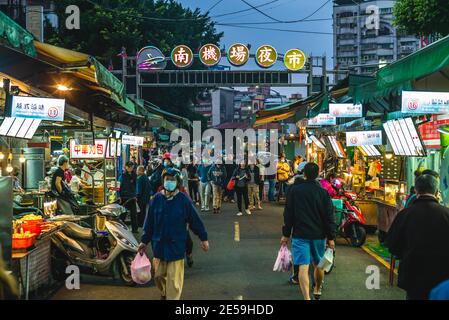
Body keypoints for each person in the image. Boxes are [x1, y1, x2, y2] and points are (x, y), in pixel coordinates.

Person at [138, 168, 209, 300]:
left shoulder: (183, 200)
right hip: (159, 246)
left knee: (174, 281)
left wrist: (203, 238)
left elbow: (195, 220)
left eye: (172, 180)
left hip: (176, 247)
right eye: (167, 179)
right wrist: (144, 241)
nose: (169, 182)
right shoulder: (156, 199)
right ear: (162, 181)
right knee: (158, 276)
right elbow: (149, 223)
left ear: (177, 182)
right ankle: (164, 293)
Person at [385, 174, 449, 300]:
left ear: (416, 190)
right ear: (436, 191)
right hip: (441, 276)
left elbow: (392, 244)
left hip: (412, 275)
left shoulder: (405, 214)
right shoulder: (446, 214)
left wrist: (405, 254)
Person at [281, 162, 336, 300]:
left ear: (304, 174)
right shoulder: (323, 193)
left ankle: (307, 298)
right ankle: (317, 289)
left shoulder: (294, 191)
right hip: (318, 235)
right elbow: (329, 216)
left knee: (303, 267)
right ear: (318, 175)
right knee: (319, 265)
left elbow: (288, 214)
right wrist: (331, 237)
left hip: (300, 235)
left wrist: (286, 234)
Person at [118, 161, 138, 233]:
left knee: (134, 214)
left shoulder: (134, 175)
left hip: (132, 197)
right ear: (126, 167)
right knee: (123, 214)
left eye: (131, 167)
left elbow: (136, 186)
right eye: (129, 166)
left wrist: (136, 195)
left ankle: (135, 229)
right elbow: (118, 186)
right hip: (124, 197)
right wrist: (119, 196)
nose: (130, 168)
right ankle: (121, 229)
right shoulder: (122, 176)